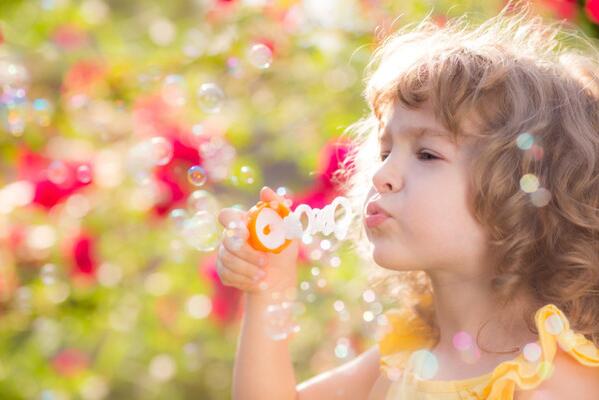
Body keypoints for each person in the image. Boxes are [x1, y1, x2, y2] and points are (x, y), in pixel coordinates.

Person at [216, 0, 599, 398]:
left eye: (427, 154)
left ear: (525, 193)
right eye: (384, 152)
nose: (381, 175)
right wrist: (269, 288)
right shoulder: (407, 354)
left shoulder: (550, 384)